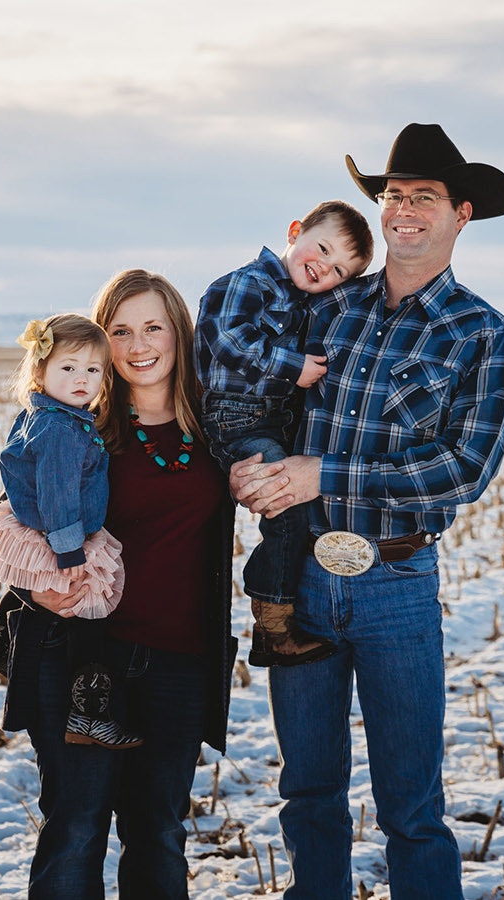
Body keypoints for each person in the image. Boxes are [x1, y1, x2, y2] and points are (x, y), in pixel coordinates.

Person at [230, 123, 504, 899]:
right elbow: (252, 380)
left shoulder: (481, 333)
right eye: (393, 195)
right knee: (309, 794)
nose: (403, 211)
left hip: (395, 583)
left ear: (463, 213)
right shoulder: (329, 306)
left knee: (412, 808)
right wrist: (246, 461)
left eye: (423, 197)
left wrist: (324, 472)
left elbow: (462, 470)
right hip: (302, 576)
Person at [0, 269, 238, 898]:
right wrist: (37, 590)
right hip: (82, 654)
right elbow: (12, 521)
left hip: (182, 659)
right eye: (121, 330)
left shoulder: (215, 428)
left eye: (153, 327)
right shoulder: (77, 424)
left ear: (179, 334)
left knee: (159, 831)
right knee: (77, 827)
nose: (138, 345)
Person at [196, 199, 374, 667]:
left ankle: (279, 613)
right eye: (321, 249)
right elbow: (228, 339)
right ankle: (272, 626)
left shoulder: (302, 302)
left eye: (338, 270)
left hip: (270, 416)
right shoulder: (247, 283)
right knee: (285, 503)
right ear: (295, 231)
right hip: (236, 415)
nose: (323, 269)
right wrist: (291, 366)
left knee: (302, 497)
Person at [0, 313, 140, 748]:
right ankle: (88, 716)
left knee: (55, 600)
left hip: (47, 530)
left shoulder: (47, 415)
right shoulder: (62, 428)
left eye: (93, 370)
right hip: (59, 536)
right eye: (69, 368)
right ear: (40, 371)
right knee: (88, 623)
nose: (82, 379)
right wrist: (70, 556)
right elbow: (58, 493)